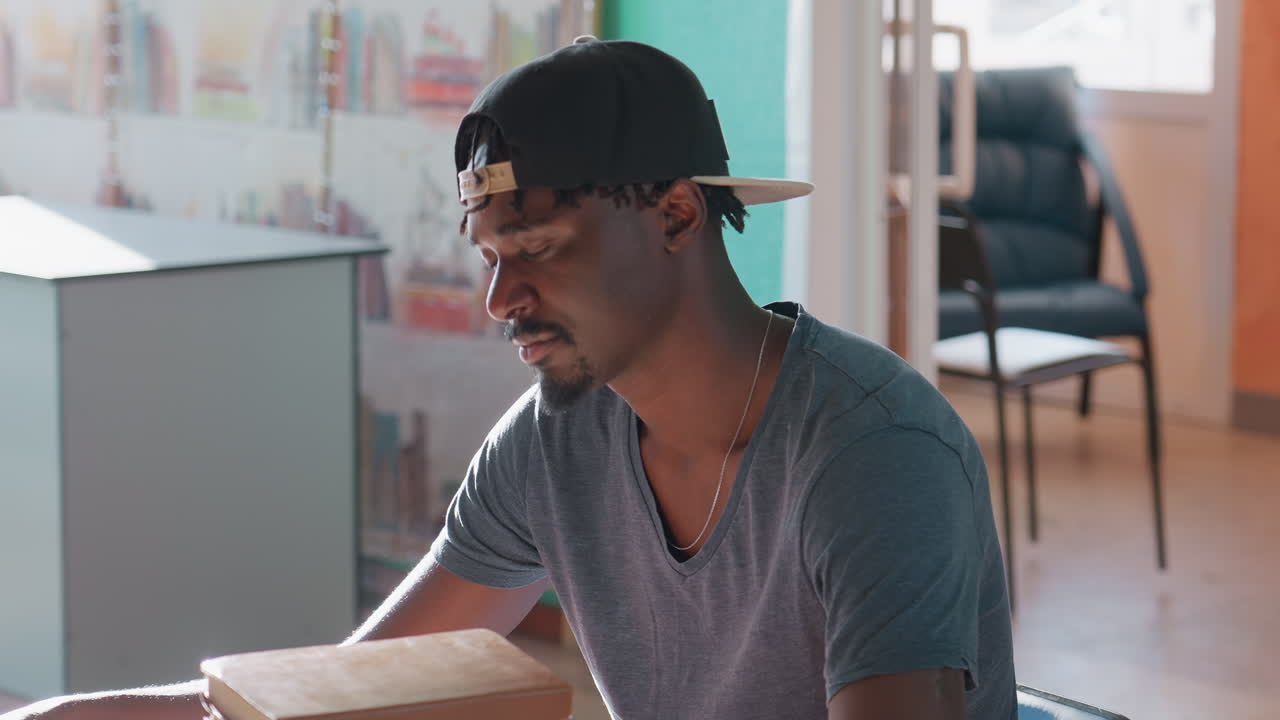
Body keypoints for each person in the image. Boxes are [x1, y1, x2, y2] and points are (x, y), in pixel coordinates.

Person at [5, 38, 1015, 720]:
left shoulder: (871, 457)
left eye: (535, 245)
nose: (499, 297)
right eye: (488, 254)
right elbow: (352, 688)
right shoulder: (554, 443)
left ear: (671, 213)